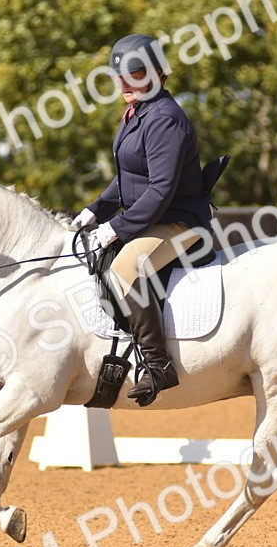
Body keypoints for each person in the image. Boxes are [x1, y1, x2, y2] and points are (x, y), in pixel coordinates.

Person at [71, 33, 213, 406]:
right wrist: (95, 210)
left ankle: (157, 365)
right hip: (151, 217)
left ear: (156, 75)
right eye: (121, 77)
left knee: (126, 268)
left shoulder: (165, 118)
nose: (124, 84)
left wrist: (115, 228)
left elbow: (160, 190)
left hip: (179, 222)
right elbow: (128, 178)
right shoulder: (138, 113)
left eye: (134, 76)